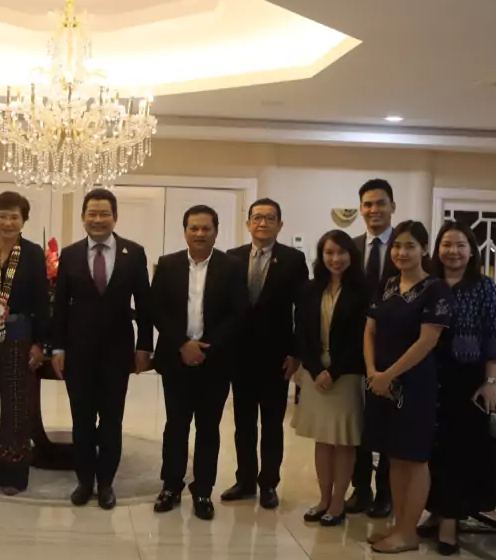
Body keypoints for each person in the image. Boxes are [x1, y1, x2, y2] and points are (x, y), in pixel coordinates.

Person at [53, 188, 153, 510]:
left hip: (117, 351)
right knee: (81, 420)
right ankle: (84, 481)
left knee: (111, 420)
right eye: (92, 214)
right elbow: (60, 307)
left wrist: (144, 346)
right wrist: (57, 348)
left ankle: (106, 482)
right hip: (78, 351)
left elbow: (145, 304)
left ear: (115, 217)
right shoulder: (69, 254)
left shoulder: (133, 253)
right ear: (83, 217)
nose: (98, 219)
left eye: (104, 214)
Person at [150, 205, 248, 520]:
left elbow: (238, 313)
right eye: (194, 228)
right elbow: (156, 309)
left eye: (206, 228)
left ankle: (203, 490)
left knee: (208, 428)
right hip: (176, 359)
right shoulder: (168, 264)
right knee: (175, 426)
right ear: (185, 231)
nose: (200, 233)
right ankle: (171, 486)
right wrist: (183, 344)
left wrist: (206, 348)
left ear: (216, 232)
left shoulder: (232, 267)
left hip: (215, 361)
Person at [364, 220, 450, 554]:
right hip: (380, 381)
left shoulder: (436, 289)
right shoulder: (386, 284)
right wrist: (373, 371)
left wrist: (389, 374)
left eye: (410, 246)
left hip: (414, 383)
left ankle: (408, 532)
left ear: (424, 249)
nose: (402, 252)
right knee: (394, 455)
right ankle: (400, 525)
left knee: (413, 457)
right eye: (397, 246)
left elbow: (428, 340)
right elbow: (369, 330)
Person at [420, 221, 496, 555]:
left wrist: (491, 382)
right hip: (428, 374)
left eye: (460, 245)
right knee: (431, 449)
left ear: (471, 251)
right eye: (446, 244)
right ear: (437, 250)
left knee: (459, 450)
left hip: (467, 378)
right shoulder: (428, 284)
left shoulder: (484, 287)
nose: (452, 251)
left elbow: (494, 337)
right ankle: (436, 510)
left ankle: (450, 523)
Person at [223, 199, 309, 510]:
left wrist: (296, 353)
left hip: (277, 357)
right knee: (244, 423)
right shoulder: (232, 257)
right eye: (257, 218)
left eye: (270, 218)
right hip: (240, 355)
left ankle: (268, 483)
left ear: (279, 225)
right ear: (248, 223)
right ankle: (245, 480)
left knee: (272, 424)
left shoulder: (293, 259)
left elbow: (303, 309)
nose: (262, 223)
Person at [0, 192, 49, 495]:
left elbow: (41, 300)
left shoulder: (33, 253)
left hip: (19, 336)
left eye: (14, 217)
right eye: (2, 216)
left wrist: (40, 343)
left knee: (16, 405)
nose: (7, 222)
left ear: (23, 221)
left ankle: (13, 474)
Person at [292, 231, 368, 526]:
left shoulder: (363, 290)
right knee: (323, 440)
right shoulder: (310, 289)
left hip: (346, 375)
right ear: (321, 256)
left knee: (343, 440)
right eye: (329, 253)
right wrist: (314, 369)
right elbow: (302, 331)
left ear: (351, 255)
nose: (335, 259)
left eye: (341, 252)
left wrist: (333, 371)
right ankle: (323, 498)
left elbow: (361, 338)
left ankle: (338, 502)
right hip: (315, 374)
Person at [347, 178, 398, 518]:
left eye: (380, 203)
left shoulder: (404, 246)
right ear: (360, 209)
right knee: (358, 422)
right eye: (367, 204)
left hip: (394, 350)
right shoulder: (350, 249)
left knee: (389, 421)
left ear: (392, 207)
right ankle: (361, 488)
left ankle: (386, 492)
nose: (374, 210)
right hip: (354, 350)